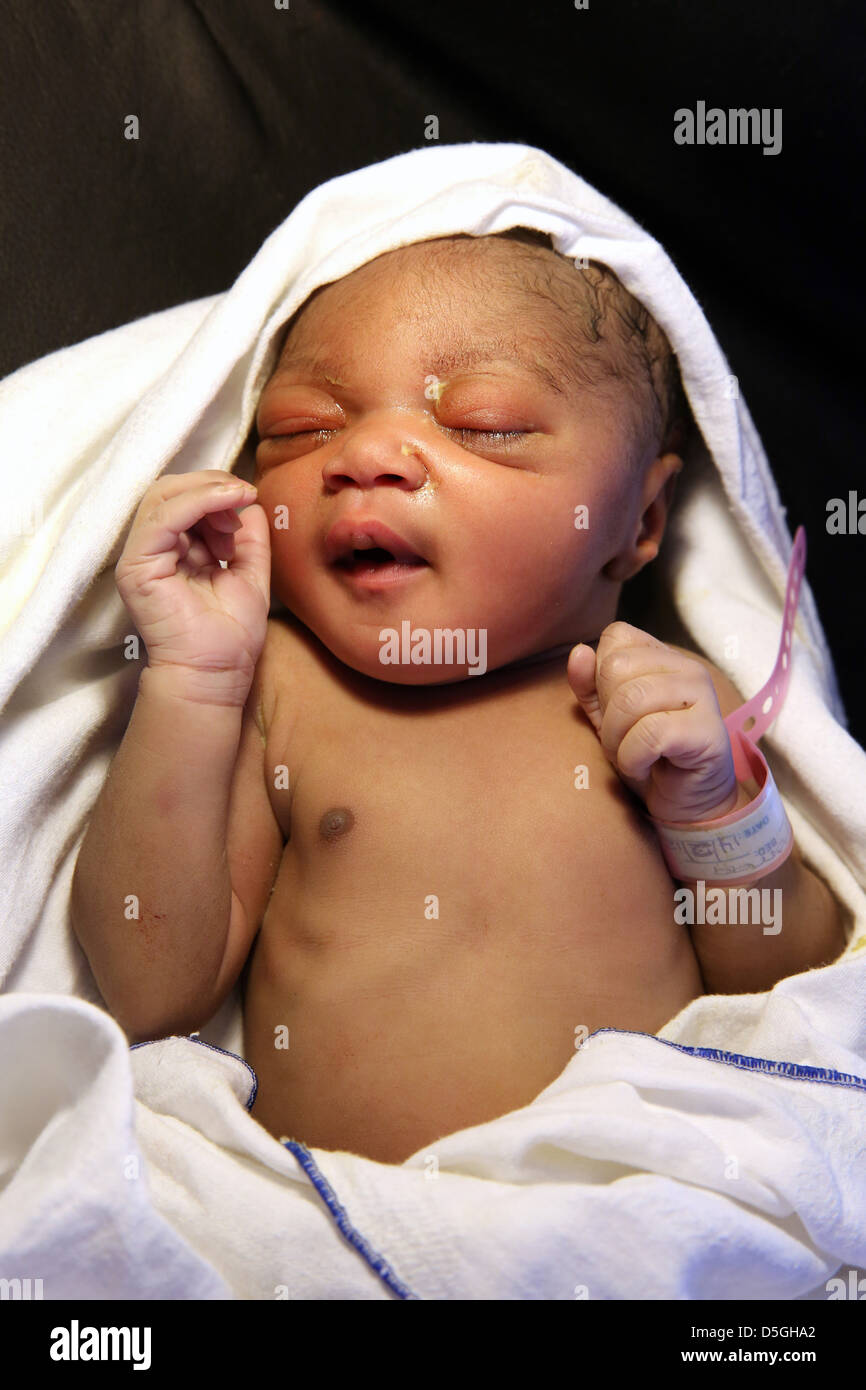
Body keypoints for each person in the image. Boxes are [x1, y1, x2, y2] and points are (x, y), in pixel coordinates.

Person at [70, 228, 845, 1166]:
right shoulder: (278, 687)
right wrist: (192, 681)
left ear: (638, 522)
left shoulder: (660, 705)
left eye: (482, 423)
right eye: (304, 426)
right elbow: (152, 992)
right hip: (347, 1229)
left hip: (634, 1201)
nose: (367, 454)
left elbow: (791, 984)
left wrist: (718, 812)